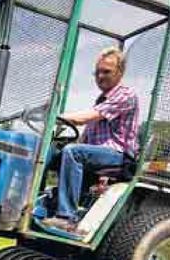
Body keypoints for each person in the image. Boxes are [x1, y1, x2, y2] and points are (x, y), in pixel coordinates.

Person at [44, 48, 140, 227]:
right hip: (99, 154)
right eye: (97, 72)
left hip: (120, 157)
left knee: (73, 152)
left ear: (120, 72)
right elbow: (86, 136)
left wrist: (56, 117)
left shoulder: (126, 95)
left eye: (106, 71)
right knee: (50, 151)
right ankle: (38, 200)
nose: (100, 76)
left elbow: (84, 119)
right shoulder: (100, 100)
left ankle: (66, 217)